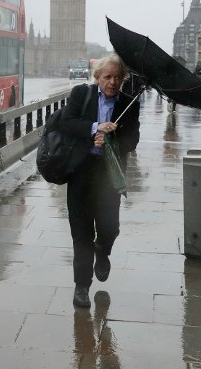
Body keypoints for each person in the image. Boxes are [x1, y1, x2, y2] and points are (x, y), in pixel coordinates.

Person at [58, 54, 141, 308]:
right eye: (108, 77)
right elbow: (66, 123)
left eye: (118, 77)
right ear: (97, 78)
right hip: (81, 172)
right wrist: (95, 129)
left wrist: (113, 141)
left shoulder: (130, 103)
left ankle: (102, 251)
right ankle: (81, 286)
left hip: (109, 175)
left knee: (110, 227)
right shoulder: (80, 95)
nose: (113, 82)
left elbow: (133, 139)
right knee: (81, 233)